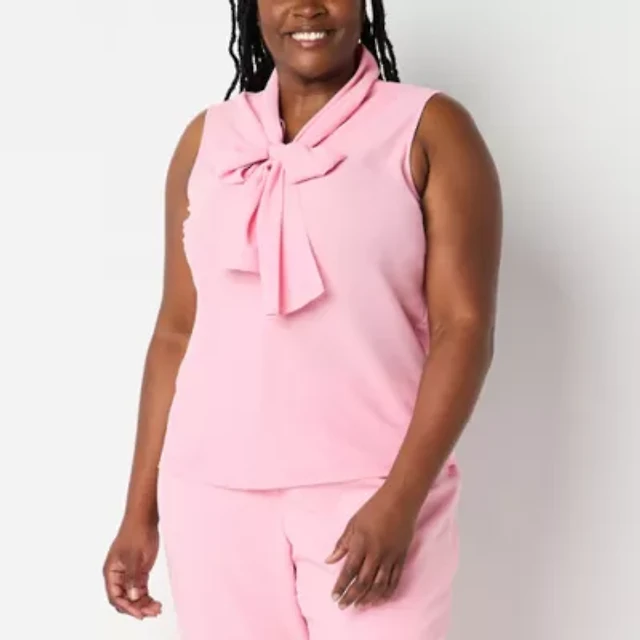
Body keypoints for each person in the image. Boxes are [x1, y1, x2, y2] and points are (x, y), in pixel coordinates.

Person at [103, 0, 502, 638]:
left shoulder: (430, 128)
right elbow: (176, 331)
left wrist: (401, 500)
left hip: (372, 492)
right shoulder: (207, 139)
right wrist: (138, 512)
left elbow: (464, 327)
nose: (307, 7)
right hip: (211, 497)